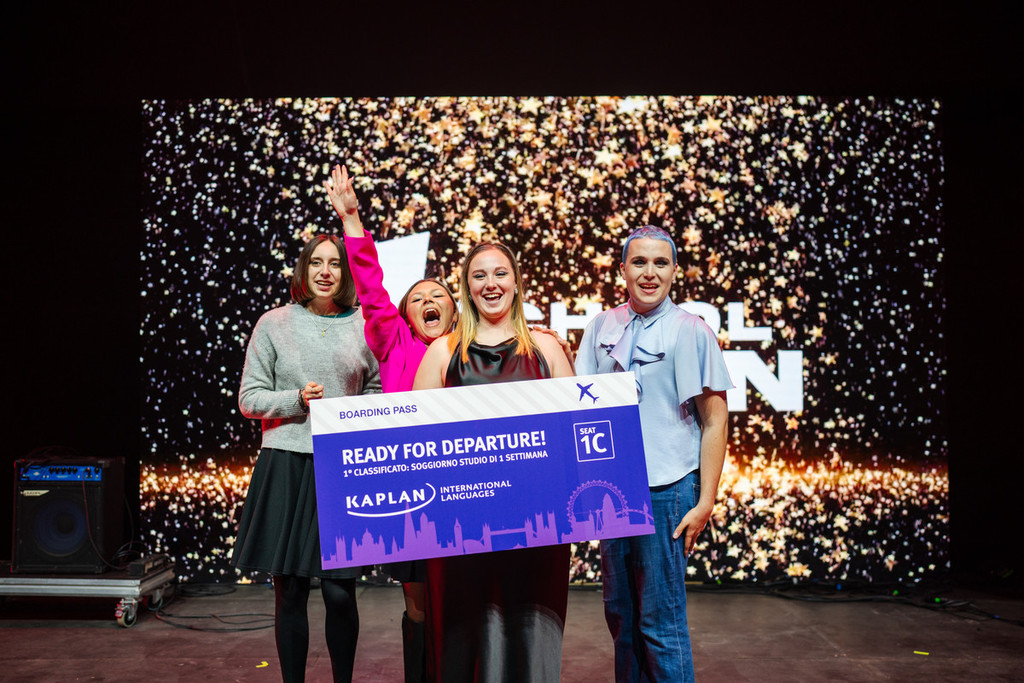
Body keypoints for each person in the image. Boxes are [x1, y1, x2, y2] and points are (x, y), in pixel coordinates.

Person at [575, 225, 732, 683]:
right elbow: (580, 407)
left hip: (668, 489)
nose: (649, 273)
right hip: (614, 491)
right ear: (622, 269)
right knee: (621, 618)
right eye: (639, 262)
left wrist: (705, 501)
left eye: (660, 263)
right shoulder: (601, 326)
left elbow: (716, 420)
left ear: (675, 271)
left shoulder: (691, 330)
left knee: (660, 623)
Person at [413, 241, 575, 682]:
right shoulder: (443, 352)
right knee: (465, 644)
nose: (491, 284)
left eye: (500, 273)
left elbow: (573, 435)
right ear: (466, 287)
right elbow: (414, 443)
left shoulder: (546, 348)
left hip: (537, 530)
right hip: (461, 531)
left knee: (530, 643)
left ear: (516, 283)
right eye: (479, 275)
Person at [324, 163, 458, 683]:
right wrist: (351, 221)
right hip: (415, 490)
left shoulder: (472, 350)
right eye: (417, 299)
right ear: (405, 315)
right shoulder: (394, 341)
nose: (428, 302)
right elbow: (373, 291)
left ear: (456, 312)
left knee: (462, 604)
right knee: (419, 606)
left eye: (438, 296)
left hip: (468, 488)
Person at [232, 233, 382, 683]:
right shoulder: (274, 323)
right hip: (286, 464)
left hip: (341, 467)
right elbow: (249, 398)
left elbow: (376, 389)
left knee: (340, 593)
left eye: (335, 263)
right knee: (290, 592)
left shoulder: (363, 324)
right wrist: (296, 400)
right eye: (316, 262)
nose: (325, 271)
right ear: (303, 269)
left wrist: (354, 415)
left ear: (345, 273)